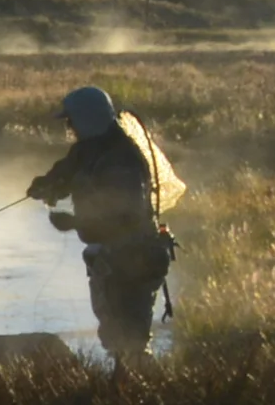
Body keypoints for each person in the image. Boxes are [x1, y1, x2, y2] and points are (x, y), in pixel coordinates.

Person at [28, 83, 187, 367]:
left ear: (87, 119)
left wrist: (74, 221)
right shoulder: (88, 150)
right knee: (116, 337)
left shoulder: (122, 159)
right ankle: (127, 390)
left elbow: (124, 214)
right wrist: (45, 185)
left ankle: (142, 395)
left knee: (130, 339)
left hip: (134, 258)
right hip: (111, 258)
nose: (69, 127)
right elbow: (65, 174)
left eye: (71, 121)